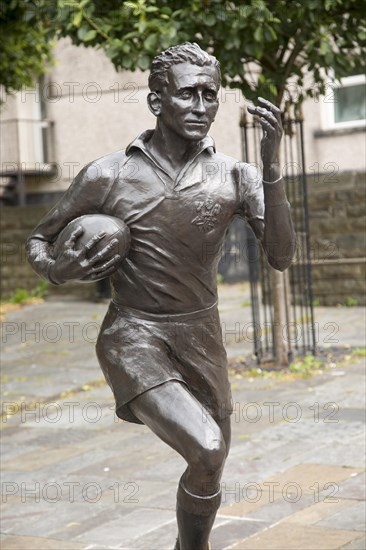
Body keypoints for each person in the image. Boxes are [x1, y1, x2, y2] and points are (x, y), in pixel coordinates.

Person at [26, 43, 295, 550]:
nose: (201, 107)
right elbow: (38, 240)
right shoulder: (109, 174)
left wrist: (271, 167)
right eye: (187, 94)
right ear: (156, 102)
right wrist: (57, 270)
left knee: (211, 469)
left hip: (201, 334)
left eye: (210, 96)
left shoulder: (235, 176)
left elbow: (281, 255)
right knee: (208, 449)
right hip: (134, 335)